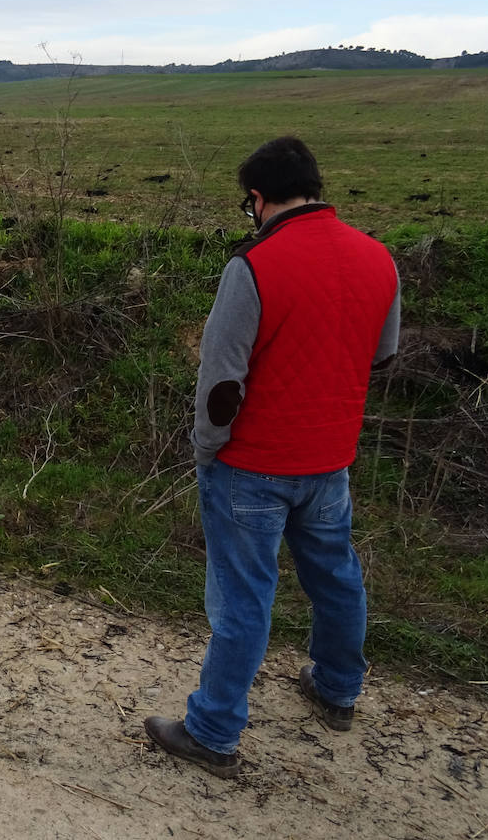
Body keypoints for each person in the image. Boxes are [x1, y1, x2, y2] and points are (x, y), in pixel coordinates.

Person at [144, 136, 401, 778]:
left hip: (251, 467)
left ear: (257, 199)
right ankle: (337, 690)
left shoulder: (253, 266)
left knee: (243, 600)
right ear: (315, 186)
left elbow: (222, 383)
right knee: (336, 579)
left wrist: (207, 451)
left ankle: (212, 732)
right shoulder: (379, 259)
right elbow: (383, 354)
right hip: (329, 462)